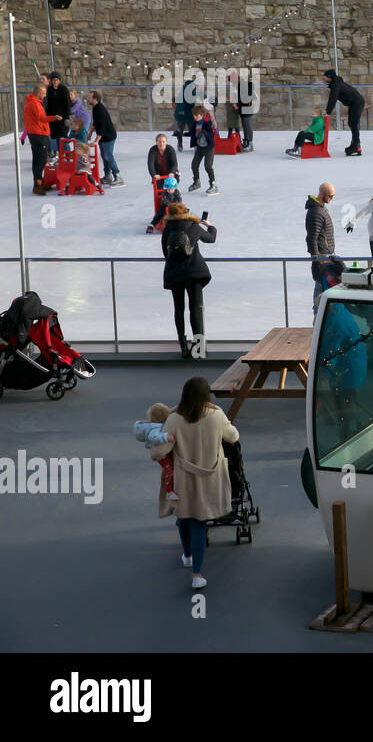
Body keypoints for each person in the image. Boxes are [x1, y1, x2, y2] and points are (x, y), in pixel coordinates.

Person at [150, 376, 239, 590]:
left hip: (184, 479)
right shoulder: (216, 415)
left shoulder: (174, 419)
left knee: (184, 517)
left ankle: (187, 555)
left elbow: (159, 452)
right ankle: (197, 575)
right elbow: (233, 436)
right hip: (210, 478)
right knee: (200, 522)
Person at [160, 202, 216, 359]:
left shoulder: (167, 230)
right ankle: (198, 348)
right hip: (194, 273)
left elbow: (166, 252)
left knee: (179, 309)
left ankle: (183, 346)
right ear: (186, 212)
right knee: (196, 308)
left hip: (175, 274)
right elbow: (211, 239)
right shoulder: (193, 226)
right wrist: (210, 226)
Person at [306, 182, 342, 314]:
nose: (332, 198)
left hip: (327, 256)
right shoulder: (316, 212)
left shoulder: (320, 209)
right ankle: (317, 327)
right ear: (322, 193)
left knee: (326, 291)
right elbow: (312, 237)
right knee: (320, 295)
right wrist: (317, 259)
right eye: (330, 196)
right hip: (322, 258)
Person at [134, 402, 178, 501]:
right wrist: (165, 437)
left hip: (164, 452)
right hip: (162, 455)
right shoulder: (155, 427)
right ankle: (169, 491)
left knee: (171, 468)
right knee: (169, 470)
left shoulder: (157, 425)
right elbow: (153, 437)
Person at [323, 68, 366, 156]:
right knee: (351, 123)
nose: (324, 79)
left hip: (357, 102)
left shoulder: (336, 85)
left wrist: (328, 112)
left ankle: (357, 147)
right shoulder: (336, 83)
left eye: (325, 77)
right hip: (355, 103)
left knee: (353, 124)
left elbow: (333, 99)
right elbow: (333, 99)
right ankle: (354, 144)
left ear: (329, 77)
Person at [23, 83, 55, 196]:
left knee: (38, 159)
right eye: (44, 93)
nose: (45, 96)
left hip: (34, 134)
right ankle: (37, 185)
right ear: (39, 93)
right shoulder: (34, 104)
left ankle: (39, 183)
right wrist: (54, 117)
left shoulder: (30, 102)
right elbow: (41, 118)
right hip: (39, 134)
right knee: (40, 160)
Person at [88, 91, 122, 187]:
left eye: (89, 97)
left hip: (108, 137)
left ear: (95, 99)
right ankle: (108, 176)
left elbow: (102, 128)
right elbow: (96, 123)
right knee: (104, 156)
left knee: (108, 156)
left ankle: (118, 176)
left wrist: (95, 141)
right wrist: (90, 133)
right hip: (103, 137)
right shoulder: (95, 108)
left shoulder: (100, 110)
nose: (88, 99)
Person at [188, 104, 218, 195]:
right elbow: (193, 133)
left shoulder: (206, 123)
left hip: (208, 148)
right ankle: (197, 181)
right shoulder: (194, 123)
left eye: (197, 115)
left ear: (202, 115)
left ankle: (213, 185)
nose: (196, 117)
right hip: (200, 148)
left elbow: (211, 134)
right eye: (194, 115)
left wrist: (203, 132)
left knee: (208, 166)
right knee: (194, 165)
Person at [226, 68, 255, 152]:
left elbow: (245, 96)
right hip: (243, 108)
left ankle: (250, 143)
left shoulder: (243, 84)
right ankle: (246, 142)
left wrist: (237, 103)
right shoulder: (239, 85)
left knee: (247, 126)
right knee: (245, 126)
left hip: (246, 108)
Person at [45, 71, 71, 150]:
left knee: (62, 136)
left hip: (62, 117)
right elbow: (48, 104)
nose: (55, 81)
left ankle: (68, 155)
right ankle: (60, 155)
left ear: (59, 80)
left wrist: (66, 117)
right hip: (52, 117)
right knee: (55, 137)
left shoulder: (63, 89)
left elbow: (67, 103)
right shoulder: (49, 90)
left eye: (56, 80)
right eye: (53, 80)